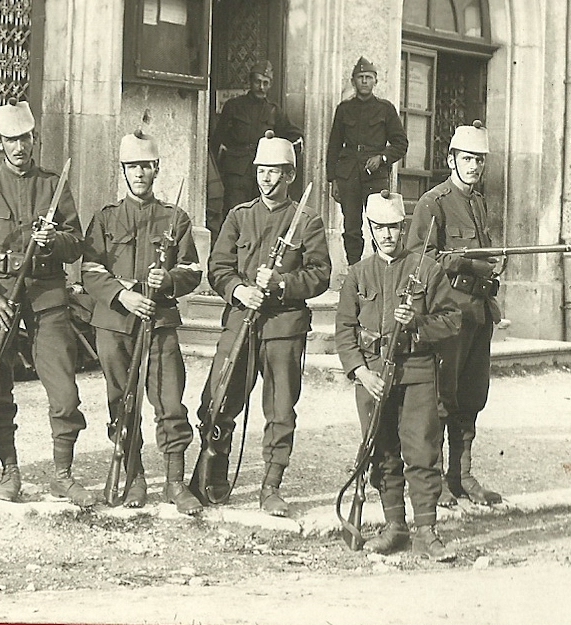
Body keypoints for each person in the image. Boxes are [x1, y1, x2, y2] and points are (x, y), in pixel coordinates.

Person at [0, 100, 94, 506]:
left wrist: (55, 242)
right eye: (11, 140)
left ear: (34, 139)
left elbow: (77, 244)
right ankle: (9, 469)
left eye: (26, 138)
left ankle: (63, 474)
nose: (20, 147)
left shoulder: (53, 185)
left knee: (65, 390)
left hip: (46, 294)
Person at [190, 131, 331, 516]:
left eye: (275, 172)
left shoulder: (308, 222)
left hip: (283, 328)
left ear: (290, 176)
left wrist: (283, 284)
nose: (267, 178)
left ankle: (271, 486)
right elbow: (218, 267)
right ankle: (212, 475)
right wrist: (239, 290)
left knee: (281, 410)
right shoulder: (239, 216)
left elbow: (320, 274)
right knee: (217, 400)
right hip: (240, 323)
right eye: (262, 171)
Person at [82, 130, 204, 515]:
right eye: (132, 167)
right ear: (123, 170)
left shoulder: (176, 218)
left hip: (160, 322)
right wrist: (124, 295)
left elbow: (192, 270)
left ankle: (174, 481)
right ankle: (134, 476)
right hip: (115, 322)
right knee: (122, 401)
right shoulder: (106, 218)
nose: (139, 173)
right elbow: (89, 268)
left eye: (145, 167)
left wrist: (166, 281)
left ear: (156, 170)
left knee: (169, 401)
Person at [336, 190, 462, 560]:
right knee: (382, 451)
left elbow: (452, 320)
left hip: (418, 372)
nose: (388, 235)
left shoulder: (426, 269)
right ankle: (396, 527)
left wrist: (419, 324)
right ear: (369, 229)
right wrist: (361, 372)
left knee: (422, 450)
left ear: (403, 227)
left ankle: (427, 531)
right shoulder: (357, 275)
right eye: (380, 228)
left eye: (394, 227)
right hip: (374, 378)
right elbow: (344, 330)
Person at [407, 120, 503, 507]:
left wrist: (493, 265)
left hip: (479, 312)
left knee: (472, 396)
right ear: (451, 159)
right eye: (467, 159)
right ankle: (437, 482)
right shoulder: (434, 202)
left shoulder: (478, 202)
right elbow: (421, 255)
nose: (474, 166)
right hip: (449, 312)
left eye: (480, 160)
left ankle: (462, 476)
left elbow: (484, 250)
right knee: (442, 398)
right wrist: (470, 266)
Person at [326, 57, 410, 266]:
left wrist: (382, 158)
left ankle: (381, 270)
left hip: (376, 175)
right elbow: (334, 146)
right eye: (360, 77)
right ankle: (354, 270)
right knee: (352, 227)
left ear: (375, 81)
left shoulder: (385, 109)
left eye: (369, 78)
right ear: (353, 81)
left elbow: (401, 143)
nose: (364, 81)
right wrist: (333, 180)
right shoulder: (344, 109)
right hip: (348, 174)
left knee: (381, 223)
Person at [210, 59, 304, 220]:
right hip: (236, 170)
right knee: (234, 213)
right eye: (257, 82)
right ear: (250, 82)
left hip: (262, 171)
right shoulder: (233, 106)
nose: (261, 87)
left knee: (260, 215)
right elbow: (217, 139)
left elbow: (294, 135)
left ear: (270, 85)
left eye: (265, 83)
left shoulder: (274, 110)